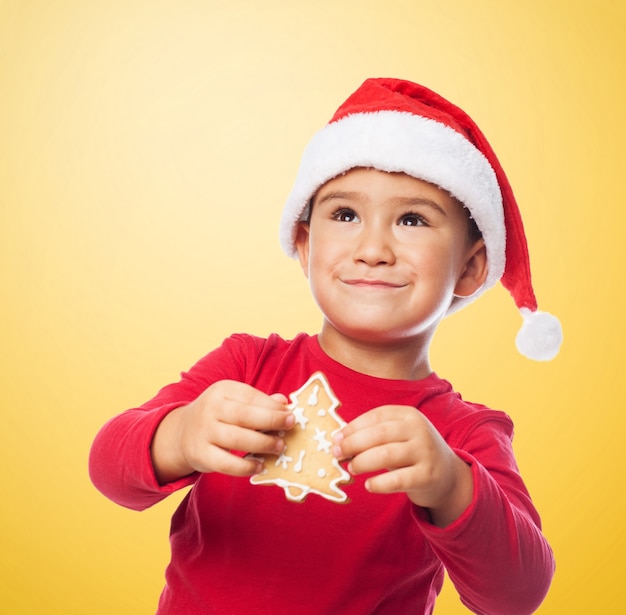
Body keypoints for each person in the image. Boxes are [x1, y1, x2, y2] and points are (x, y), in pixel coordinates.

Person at [89, 78, 562, 614]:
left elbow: (516, 596)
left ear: (471, 267)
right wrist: (177, 436)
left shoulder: (462, 436)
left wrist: (452, 486)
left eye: (412, 220)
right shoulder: (246, 366)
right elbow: (109, 471)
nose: (372, 249)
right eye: (344, 215)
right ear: (305, 242)